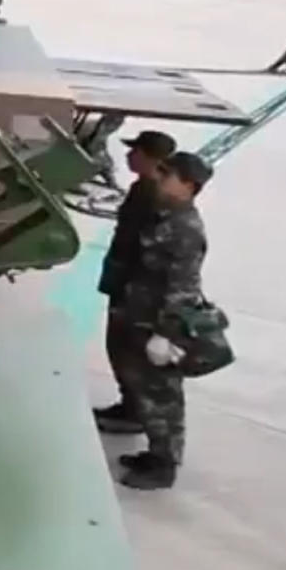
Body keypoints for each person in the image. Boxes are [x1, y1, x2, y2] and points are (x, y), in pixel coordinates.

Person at [109, 151, 212, 491]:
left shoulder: (185, 229)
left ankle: (164, 464)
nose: (159, 179)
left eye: (168, 175)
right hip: (139, 315)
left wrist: (166, 334)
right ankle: (153, 454)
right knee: (144, 389)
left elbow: (184, 287)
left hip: (158, 322)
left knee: (163, 396)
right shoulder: (163, 215)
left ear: (188, 185)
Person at [94, 130, 177, 436]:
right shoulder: (144, 188)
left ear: (150, 157)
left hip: (136, 288)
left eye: (135, 151)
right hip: (127, 280)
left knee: (127, 349)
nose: (129, 156)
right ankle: (130, 405)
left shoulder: (153, 193)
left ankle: (137, 412)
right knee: (120, 347)